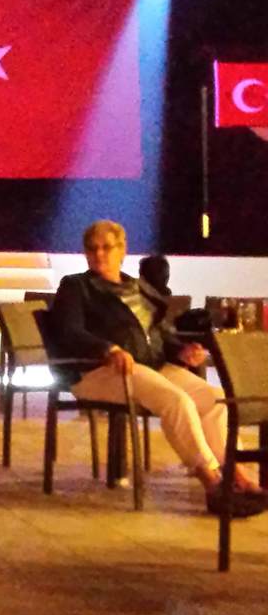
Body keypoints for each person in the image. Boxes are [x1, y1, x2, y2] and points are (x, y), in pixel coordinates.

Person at [50, 220, 264, 516]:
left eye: (106, 247)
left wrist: (181, 351)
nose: (99, 254)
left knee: (213, 400)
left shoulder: (138, 288)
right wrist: (108, 349)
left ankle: (235, 475)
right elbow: (69, 331)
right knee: (177, 401)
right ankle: (211, 482)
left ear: (122, 250)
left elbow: (160, 334)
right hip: (98, 370)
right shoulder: (76, 287)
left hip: (150, 366)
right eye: (92, 248)